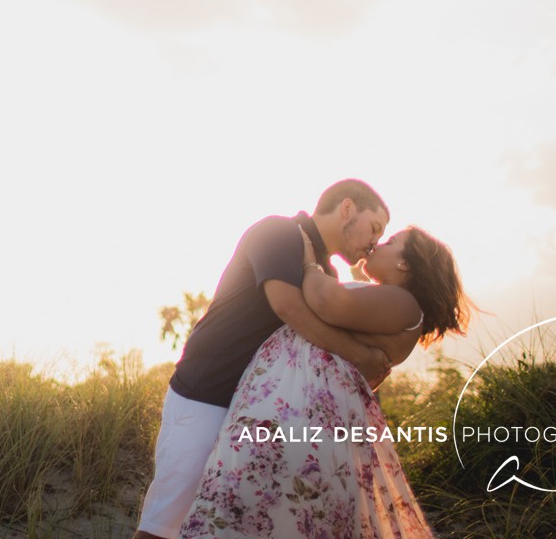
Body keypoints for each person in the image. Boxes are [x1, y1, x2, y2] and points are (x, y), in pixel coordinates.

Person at [134, 179, 394, 539]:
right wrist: (360, 355)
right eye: (375, 227)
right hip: (207, 396)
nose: (374, 241)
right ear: (347, 208)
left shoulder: (325, 274)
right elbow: (287, 306)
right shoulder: (279, 231)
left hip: (257, 420)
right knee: (165, 525)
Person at [178, 224, 471, 539]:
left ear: (404, 264)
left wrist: (308, 260)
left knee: (250, 509)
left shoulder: (405, 304)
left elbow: (322, 298)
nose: (379, 244)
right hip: (293, 411)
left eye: (391, 241)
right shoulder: (387, 301)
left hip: (300, 417)